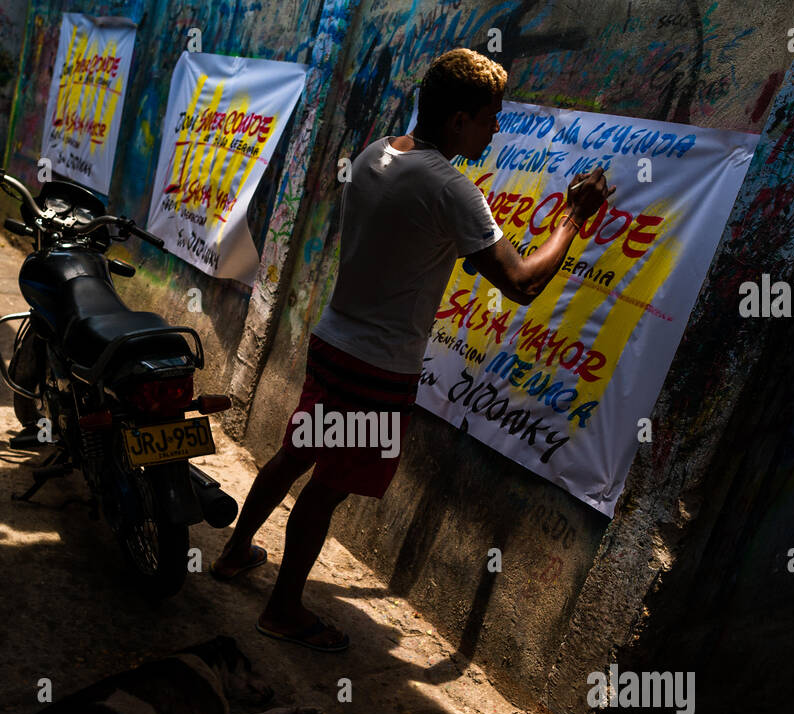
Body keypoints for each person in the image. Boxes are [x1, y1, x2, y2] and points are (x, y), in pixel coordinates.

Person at [210, 48, 615, 652]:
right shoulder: (450, 188)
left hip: (334, 342)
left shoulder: (379, 153)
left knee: (296, 455)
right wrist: (572, 218)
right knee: (328, 486)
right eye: (489, 117)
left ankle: (236, 551)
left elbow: (414, 243)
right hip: (377, 367)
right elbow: (523, 283)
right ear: (457, 121)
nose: (496, 128)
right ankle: (284, 608)